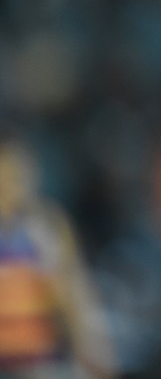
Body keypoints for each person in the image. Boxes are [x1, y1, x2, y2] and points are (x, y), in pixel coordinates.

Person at [0, 134, 115, 379]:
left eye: (15, 177)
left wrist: (96, 356)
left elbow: (75, 294)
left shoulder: (46, 227)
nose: (8, 189)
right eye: (3, 179)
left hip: (44, 365)